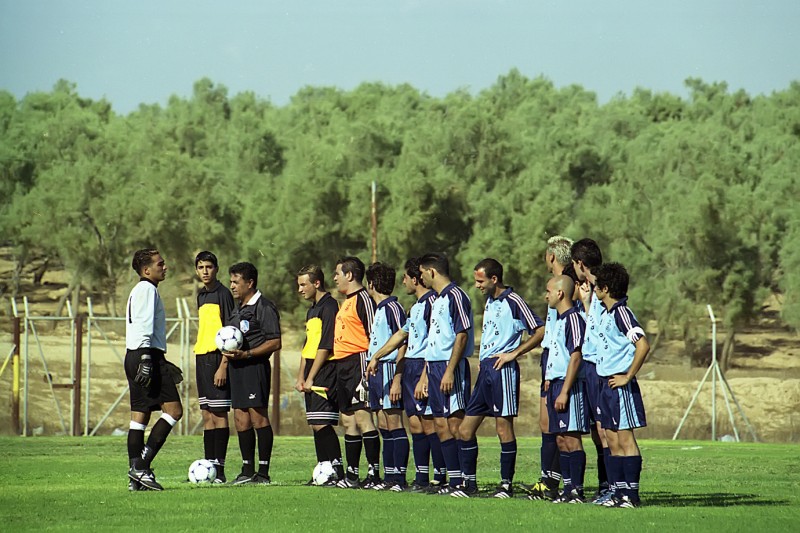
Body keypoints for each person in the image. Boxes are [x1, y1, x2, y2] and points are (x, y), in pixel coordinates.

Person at [452, 258, 544, 499]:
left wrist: (514, 353)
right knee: (465, 429)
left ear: (494, 279)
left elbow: (540, 330)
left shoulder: (514, 301)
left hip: (503, 370)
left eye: (480, 281)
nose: (477, 285)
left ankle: (505, 485)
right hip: (485, 370)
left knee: (503, 427)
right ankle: (468, 484)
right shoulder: (490, 301)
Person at [368, 257, 445, 493]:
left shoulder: (431, 303)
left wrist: (413, 375)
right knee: (415, 423)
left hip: (421, 366)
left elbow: (430, 341)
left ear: (416, 278)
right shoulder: (415, 307)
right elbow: (401, 336)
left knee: (429, 424)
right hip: (407, 366)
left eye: (406, 277)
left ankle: (438, 477)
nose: (403, 281)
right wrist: (376, 356)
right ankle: (418, 478)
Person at [593, 262, 650, 509]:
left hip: (620, 384)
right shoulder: (607, 313)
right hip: (607, 384)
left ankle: (632, 496)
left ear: (605, 288)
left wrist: (627, 376)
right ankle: (618, 494)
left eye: (597, 287)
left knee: (625, 440)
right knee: (611, 439)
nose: (594, 290)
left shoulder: (621, 313)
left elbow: (643, 345)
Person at [125, 248, 182, 492]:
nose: (164, 266)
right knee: (174, 410)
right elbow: (144, 323)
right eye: (160, 263)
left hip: (134, 354)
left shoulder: (140, 289)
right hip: (145, 354)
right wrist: (148, 359)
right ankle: (141, 466)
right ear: (146, 270)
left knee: (140, 416)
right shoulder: (147, 289)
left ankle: (135, 479)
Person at [418, 252, 474, 495]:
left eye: (422, 273)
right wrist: (426, 373)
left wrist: (450, 371)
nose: (421, 278)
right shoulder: (437, 299)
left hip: (450, 367)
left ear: (432, 271)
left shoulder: (456, 296)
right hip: (434, 366)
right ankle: (453, 482)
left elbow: (462, 334)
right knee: (441, 424)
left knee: (456, 424)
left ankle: (468, 482)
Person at [224, 262, 282, 485]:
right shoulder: (237, 309)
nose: (232, 286)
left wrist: (248, 354)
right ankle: (247, 470)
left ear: (250, 283)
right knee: (240, 418)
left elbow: (275, 341)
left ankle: (264, 473)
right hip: (236, 368)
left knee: (258, 417)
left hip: (254, 367)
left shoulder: (264, 307)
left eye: (236, 282)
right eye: (231, 281)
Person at [330, 256, 381, 489]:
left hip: (359, 361)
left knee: (363, 417)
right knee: (348, 419)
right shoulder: (346, 302)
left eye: (337, 273)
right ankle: (352, 474)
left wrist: (372, 362)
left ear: (349, 275)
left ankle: (374, 473)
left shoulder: (363, 300)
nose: (334, 278)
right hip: (342, 364)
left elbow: (374, 334)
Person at [529, 235, 573, 501]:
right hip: (551, 358)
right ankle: (549, 480)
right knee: (547, 424)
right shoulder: (555, 288)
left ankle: (555, 482)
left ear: (552, 257)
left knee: (554, 425)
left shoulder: (566, 289)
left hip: (560, 362)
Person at [571, 238, 612, 503]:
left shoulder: (605, 287)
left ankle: (615, 488)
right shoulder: (593, 291)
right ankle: (606, 487)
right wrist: (586, 304)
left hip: (602, 367)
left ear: (580, 264)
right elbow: (596, 325)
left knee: (607, 430)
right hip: (591, 366)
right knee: (599, 432)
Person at [295, 264, 344, 484]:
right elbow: (308, 346)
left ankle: (337, 471)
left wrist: (312, 376)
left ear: (316, 283)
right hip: (312, 372)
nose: (300, 289)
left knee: (323, 423)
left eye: (303, 284)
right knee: (315, 422)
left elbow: (325, 346)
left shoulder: (329, 306)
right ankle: (323, 473)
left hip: (325, 371)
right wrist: (300, 376)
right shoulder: (312, 309)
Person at [363, 262, 409, 491]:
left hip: (390, 370)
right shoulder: (380, 309)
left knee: (394, 421)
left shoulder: (392, 308)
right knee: (383, 422)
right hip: (377, 371)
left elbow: (403, 341)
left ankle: (399, 478)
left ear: (371, 284)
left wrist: (398, 378)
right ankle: (389, 476)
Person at [543, 274, 589, 504]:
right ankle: (567, 488)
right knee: (560, 439)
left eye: (548, 291)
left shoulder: (574, 319)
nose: (546, 295)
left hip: (568, 387)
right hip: (556, 384)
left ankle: (577, 491)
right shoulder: (559, 320)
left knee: (572, 439)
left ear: (560, 293)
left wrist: (564, 391)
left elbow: (576, 356)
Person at [194, 251, 235, 483]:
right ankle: (208, 465)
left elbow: (231, 334)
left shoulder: (224, 294)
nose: (205, 271)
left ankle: (220, 469)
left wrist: (223, 365)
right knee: (207, 414)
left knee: (219, 414)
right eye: (201, 267)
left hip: (217, 360)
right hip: (201, 358)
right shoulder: (200, 296)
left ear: (216, 268)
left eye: (209, 266)